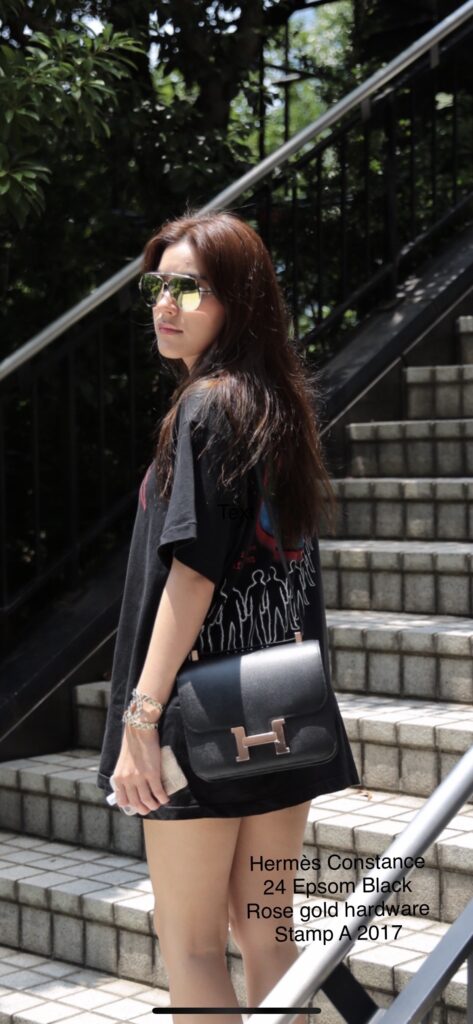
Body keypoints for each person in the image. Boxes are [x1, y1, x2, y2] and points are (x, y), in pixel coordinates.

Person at [97, 209, 359, 1024]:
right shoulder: (275, 403)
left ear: (237, 302)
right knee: (268, 934)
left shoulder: (207, 408)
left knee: (192, 948)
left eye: (190, 288)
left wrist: (140, 717)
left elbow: (194, 574)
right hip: (281, 704)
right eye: (158, 285)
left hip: (197, 718)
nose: (164, 304)